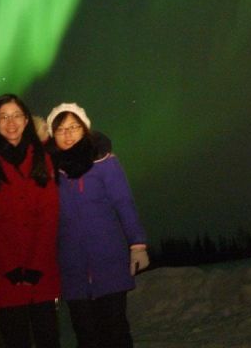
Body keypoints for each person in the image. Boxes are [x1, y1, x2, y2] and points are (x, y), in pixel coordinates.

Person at [46, 102, 148, 348]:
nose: (68, 134)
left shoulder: (105, 162)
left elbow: (123, 202)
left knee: (115, 332)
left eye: (74, 127)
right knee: (86, 335)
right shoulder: (48, 169)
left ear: (85, 130)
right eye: (61, 129)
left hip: (108, 261)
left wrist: (137, 244)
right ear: (52, 134)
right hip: (73, 268)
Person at [0, 94, 61, 348]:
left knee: (48, 339)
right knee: (15, 340)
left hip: (41, 269)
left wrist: (37, 263)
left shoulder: (42, 158)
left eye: (16, 116)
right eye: (3, 117)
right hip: (6, 273)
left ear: (26, 121)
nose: (10, 123)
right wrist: (8, 265)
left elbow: (49, 212)